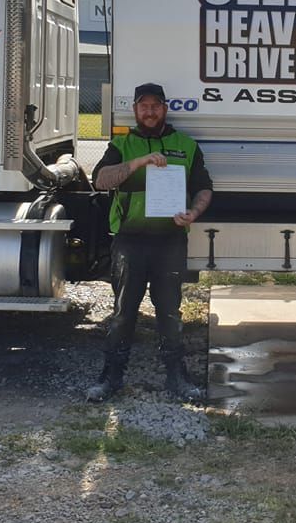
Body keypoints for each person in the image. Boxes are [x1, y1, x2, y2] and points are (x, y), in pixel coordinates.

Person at [86, 82, 213, 402]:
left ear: (165, 109)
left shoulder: (186, 145)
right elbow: (101, 180)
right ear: (136, 110)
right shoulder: (122, 145)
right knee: (123, 313)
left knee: (170, 312)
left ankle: (176, 377)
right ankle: (111, 377)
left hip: (170, 241)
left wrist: (194, 212)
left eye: (156, 105)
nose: (150, 110)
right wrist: (139, 163)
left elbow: (204, 187)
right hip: (130, 242)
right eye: (144, 105)